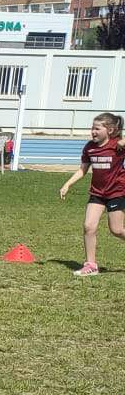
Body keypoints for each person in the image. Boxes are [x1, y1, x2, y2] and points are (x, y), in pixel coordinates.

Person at [60, 113, 125, 276]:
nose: (93, 131)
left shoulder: (118, 145)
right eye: (92, 128)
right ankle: (91, 265)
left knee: (116, 230)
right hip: (97, 193)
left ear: (110, 130)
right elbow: (83, 169)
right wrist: (67, 184)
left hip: (116, 192)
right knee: (89, 227)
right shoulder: (89, 147)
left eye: (97, 128)